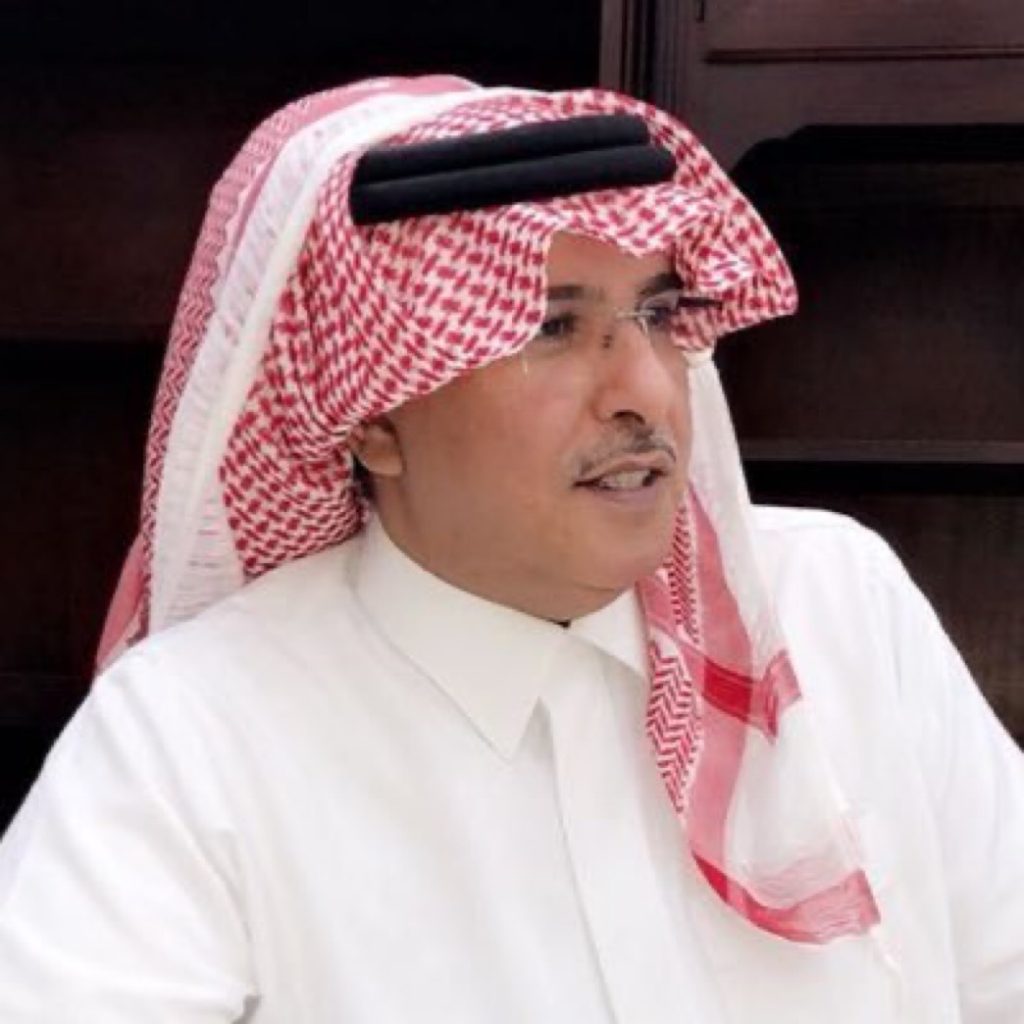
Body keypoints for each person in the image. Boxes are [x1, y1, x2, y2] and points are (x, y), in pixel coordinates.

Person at [0, 74, 1021, 1023]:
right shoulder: (188, 738)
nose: (645, 391)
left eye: (658, 315)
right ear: (372, 419)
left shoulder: (836, 600)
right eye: (550, 330)